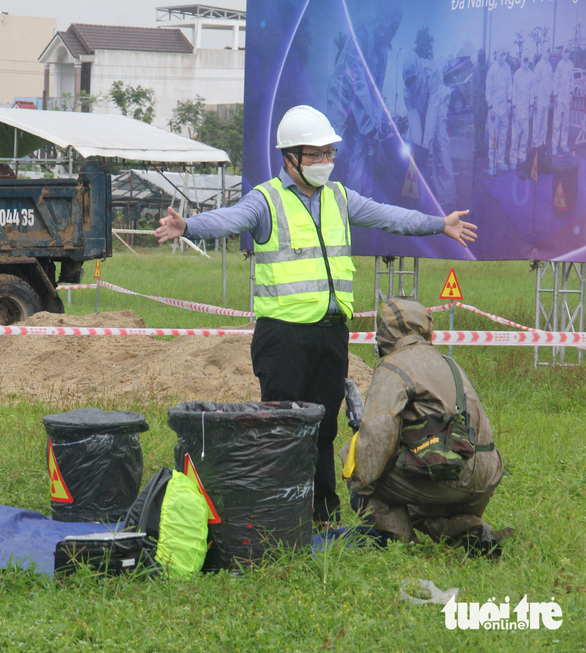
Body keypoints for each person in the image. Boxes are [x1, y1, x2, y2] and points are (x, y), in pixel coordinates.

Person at [154, 105, 476, 525]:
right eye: (314, 155)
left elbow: (389, 216)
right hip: (283, 338)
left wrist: (438, 223)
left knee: (323, 429)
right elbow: (230, 219)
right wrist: (190, 226)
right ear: (289, 158)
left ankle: (323, 516)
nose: (324, 162)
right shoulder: (266, 199)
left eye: (329, 154)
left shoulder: (340, 198)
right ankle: (280, 515)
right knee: (282, 429)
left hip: (329, 336)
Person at [340, 298, 505, 554]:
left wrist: (360, 480)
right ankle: (470, 530)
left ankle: (400, 545)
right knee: (422, 492)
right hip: (486, 473)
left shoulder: (394, 366)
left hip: (450, 473)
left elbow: (377, 436)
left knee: (357, 464)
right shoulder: (450, 363)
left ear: (385, 333)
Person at [325, 6, 402, 195]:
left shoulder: (383, 53)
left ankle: (352, 209)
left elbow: (376, 93)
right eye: (389, 27)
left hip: (363, 103)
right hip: (342, 96)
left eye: (395, 29)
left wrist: (378, 126)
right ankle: (324, 200)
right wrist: (374, 136)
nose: (391, 33)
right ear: (381, 21)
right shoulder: (360, 37)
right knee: (338, 149)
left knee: (359, 154)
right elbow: (358, 85)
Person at [402, 50, 457, 205]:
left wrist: (427, 145)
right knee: (416, 146)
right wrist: (420, 148)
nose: (411, 83)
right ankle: (418, 197)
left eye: (414, 80)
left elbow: (433, 109)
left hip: (438, 104)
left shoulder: (431, 72)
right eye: (408, 81)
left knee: (440, 145)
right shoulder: (407, 94)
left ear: (419, 73)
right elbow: (414, 118)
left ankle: (448, 200)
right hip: (420, 110)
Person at [485, 49, 512, 175]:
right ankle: (492, 163)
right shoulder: (492, 69)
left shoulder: (507, 68)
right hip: (494, 109)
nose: (502, 56)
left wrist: (509, 102)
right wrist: (490, 107)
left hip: (504, 109)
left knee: (503, 136)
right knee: (493, 137)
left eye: (504, 53)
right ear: (496, 54)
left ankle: (501, 161)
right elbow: (488, 90)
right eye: (501, 54)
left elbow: (509, 87)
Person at [511, 57, 535, 170]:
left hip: (526, 110)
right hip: (518, 110)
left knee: (525, 134)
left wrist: (531, 107)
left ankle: (522, 156)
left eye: (527, 60)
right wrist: (514, 107)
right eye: (524, 59)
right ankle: (513, 159)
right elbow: (513, 91)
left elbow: (531, 91)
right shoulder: (516, 75)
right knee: (515, 136)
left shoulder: (531, 74)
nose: (525, 62)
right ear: (521, 60)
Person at [552, 47, 575, 155]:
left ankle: (563, 144)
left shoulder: (571, 65)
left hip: (567, 99)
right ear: (562, 53)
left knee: (565, 123)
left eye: (568, 52)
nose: (566, 54)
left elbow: (572, 81)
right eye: (565, 52)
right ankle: (554, 146)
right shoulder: (559, 65)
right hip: (559, 98)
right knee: (557, 123)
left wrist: (571, 93)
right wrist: (555, 95)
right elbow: (555, 81)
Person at [532, 50, 553, 151]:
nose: (547, 53)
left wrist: (550, 95)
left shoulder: (549, 65)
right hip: (539, 99)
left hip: (546, 99)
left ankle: (542, 142)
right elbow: (535, 84)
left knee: (544, 123)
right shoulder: (539, 66)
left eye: (549, 51)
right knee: (537, 122)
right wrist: (535, 99)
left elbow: (550, 82)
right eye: (546, 50)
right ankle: (535, 143)